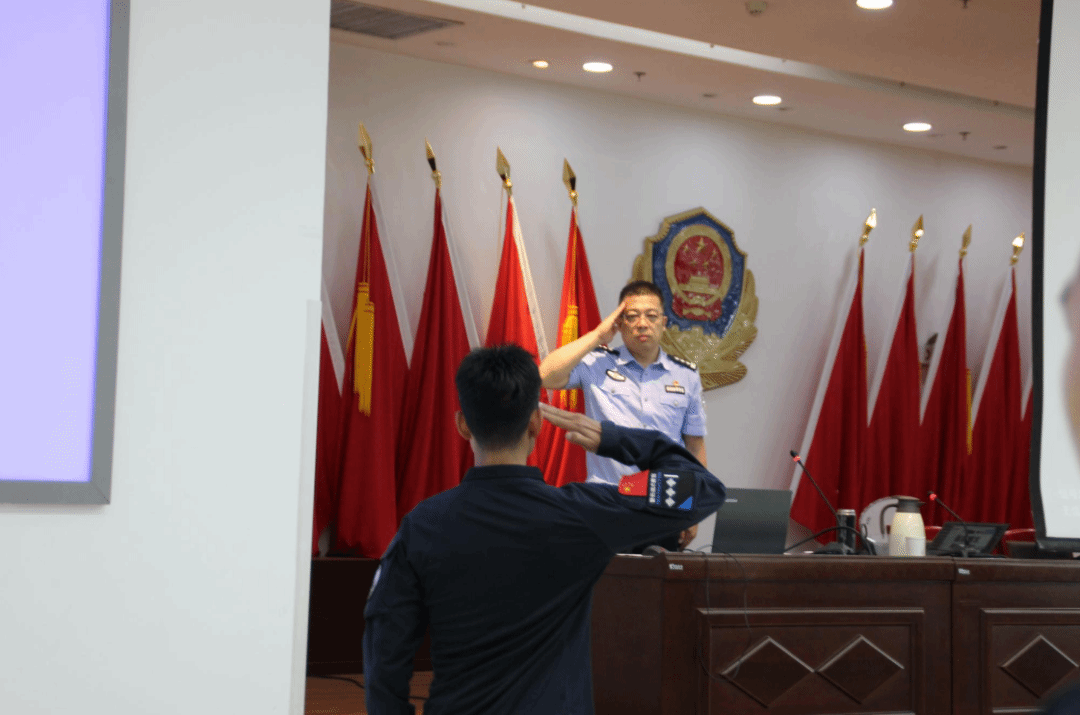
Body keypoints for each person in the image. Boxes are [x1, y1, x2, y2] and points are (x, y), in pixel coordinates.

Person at [363, 344, 725, 715]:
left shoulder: (423, 525)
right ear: (536, 422)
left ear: (463, 425)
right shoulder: (584, 513)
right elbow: (703, 488)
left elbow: (384, 652)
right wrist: (612, 438)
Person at [538, 280, 708, 548]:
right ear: (619, 323)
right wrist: (597, 335)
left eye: (651, 316)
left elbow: (694, 447)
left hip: (663, 508)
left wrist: (693, 507)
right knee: (605, 576)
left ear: (664, 323)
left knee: (657, 576)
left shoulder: (686, 375)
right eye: (632, 316)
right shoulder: (597, 363)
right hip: (606, 504)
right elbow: (544, 376)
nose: (642, 324)